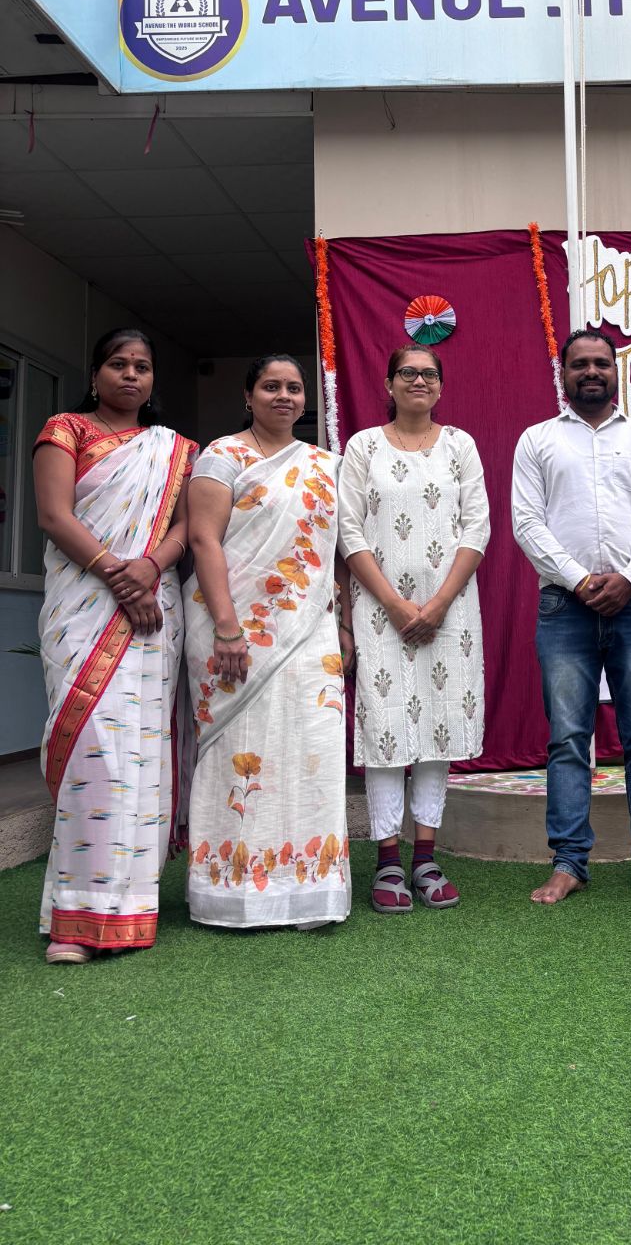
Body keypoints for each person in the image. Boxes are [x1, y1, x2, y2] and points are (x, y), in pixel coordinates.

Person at [512, 330, 631, 904]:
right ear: (563, 374)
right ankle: (568, 862)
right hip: (565, 607)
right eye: (580, 364)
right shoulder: (537, 439)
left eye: (601, 363)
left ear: (617, 372)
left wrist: (629, 578)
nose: (591, 371)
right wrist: (581, 580)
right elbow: (526, 523)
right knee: (568, 738)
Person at [33, 328, 194, 963]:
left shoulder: (174, 449)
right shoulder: (65, 430)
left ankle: (130, 908)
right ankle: (75, 919)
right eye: (119, 364)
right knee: (93, 752)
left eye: (142, 367)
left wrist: (150, 568)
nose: (131, 375)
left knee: (142, 751)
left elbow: (188, 524)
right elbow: (54, 516)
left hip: (153, 611)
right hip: (83, 607)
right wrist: (118, 576)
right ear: (95, 373)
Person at [185, 356, 351, 931]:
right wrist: (228, 627)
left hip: (311, 627)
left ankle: (309, 890)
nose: (284, 395)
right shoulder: (222, 456)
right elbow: (203, 540)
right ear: (248, 395)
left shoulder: (326, 464)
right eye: (271, 386)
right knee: (242, 748)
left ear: (306, 399)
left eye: (294, 388)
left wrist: (345, 624)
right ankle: (233, 893)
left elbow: (339, 552)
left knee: (313, 745)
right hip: (232, 628)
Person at [339, 344, 490, 913]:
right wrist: (394, 604)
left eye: (429, 374)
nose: (418, 381)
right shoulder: (363, 447)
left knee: (438, 724)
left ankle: (425, 856)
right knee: (385, 726)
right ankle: (386, 859)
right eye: (407, 372)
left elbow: (478, 526)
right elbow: (348, 529)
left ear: (441, 387)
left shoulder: (460, 446)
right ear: (389, 383)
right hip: (380, 609)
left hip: (452, 610)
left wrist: (439, 602)